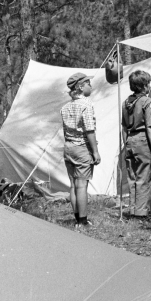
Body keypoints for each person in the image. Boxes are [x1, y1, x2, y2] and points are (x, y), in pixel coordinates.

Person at [61, 72, 100, 226]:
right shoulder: (87, 105)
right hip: (82, 147)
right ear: (80, 86)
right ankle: (83, 221)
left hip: (68, 147)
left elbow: (65, 131)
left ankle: (77, 218)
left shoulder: (65, 107)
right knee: (82, 184)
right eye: (88, 83)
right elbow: (90, 130)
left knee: (73, 184)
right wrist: (95, 151)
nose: (91, 86)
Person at [121, 69, 151, 219]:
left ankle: (134, 210)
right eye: (148, 84)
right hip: (142, 140)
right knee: (143, 178)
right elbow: (150, 126)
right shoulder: (146, 102)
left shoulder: (126, 102)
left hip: (130, 140)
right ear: (143, 86)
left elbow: (123, 126)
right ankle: (141, 213)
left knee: (132, 178)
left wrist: (126, 143)